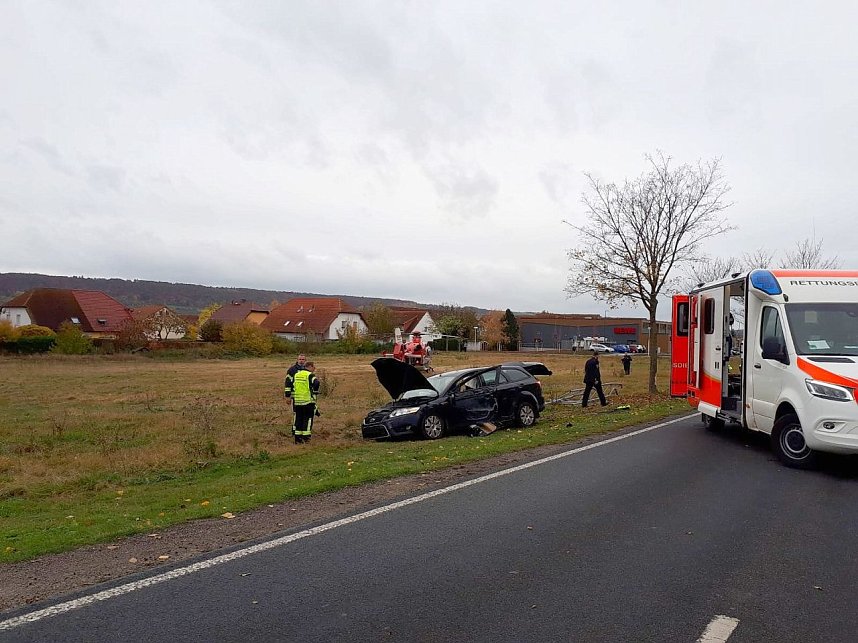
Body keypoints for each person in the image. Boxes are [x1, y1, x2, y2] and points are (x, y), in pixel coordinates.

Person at [291, 361, 320, 444]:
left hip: (297, 401)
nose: (314, 369)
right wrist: (314, 391)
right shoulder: (310, 375)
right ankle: (306, 437)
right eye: (314, 367)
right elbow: (317, 383)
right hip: (307, 401)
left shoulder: (296, 375)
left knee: (298, 419)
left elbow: (293, 386)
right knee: (308, 419)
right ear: (309, 366)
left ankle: (297, 438)